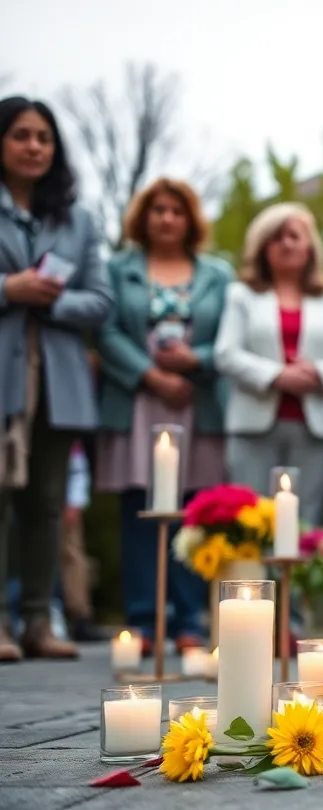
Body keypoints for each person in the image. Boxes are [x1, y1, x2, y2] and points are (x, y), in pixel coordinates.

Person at [95, 177, 232, 652]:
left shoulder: (217, 273)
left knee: (194, 513)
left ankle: (189, 622)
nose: (167, 218)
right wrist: (153, 376)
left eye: (176, 210)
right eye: (158, 210)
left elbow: (234, 338)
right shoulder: (117, 269)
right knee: (140, 510)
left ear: (190, 218)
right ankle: (144, 623)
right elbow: (106, 331)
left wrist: (195, 362)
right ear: (143, 218)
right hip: (137, 401)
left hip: (199, 403)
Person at [0, 96, 113, 661]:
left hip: (58, 380)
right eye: (21, 135)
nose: (34, 146)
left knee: (46, 503)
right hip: (4, 372)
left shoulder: (78, 219)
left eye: (43, 137)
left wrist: (53, 301)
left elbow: (101, 299)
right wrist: (8, 290)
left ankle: (39, 623)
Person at [215, 203, 323, 526]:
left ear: (310, 246)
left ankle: (293, 581)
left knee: (302, 525)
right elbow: (226, 353)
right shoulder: (241, 295)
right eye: (277, 237)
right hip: (253, 426)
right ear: (262, 247)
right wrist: (277, 375)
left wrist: (319, 373)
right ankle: (255, 581)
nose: (287, 244)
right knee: (251, 524)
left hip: (316, 428)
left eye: (295, 236)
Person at [59, 441, 104, 642]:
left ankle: (80, 616)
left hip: (65, 499)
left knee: (73, 554)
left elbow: (77, 465)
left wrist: (75, 499)